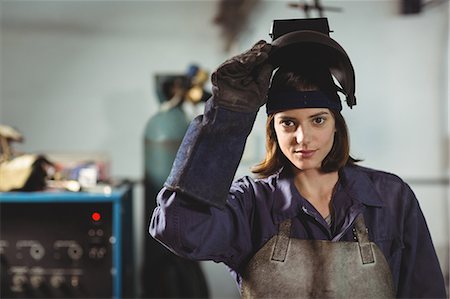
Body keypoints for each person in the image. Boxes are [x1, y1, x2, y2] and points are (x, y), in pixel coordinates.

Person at [149, 18, 447, 298]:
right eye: (288, 122)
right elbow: (177, 229)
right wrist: (226, 117)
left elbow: (425, 292)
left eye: (318, 120)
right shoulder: (251, 204)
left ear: (336, 124)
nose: (303, 138)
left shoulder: (392, 199)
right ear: (273, 129)